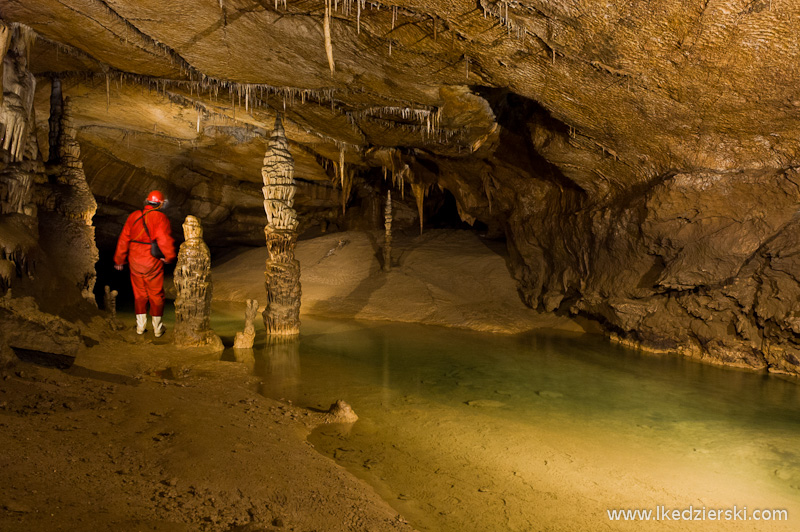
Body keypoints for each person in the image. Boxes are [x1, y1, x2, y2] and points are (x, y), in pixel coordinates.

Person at [113, 190, 176, 336]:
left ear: (147, 201)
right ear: (160, 204)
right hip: (151, 260)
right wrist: (169, 257)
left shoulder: (134, 216)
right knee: (156, 294)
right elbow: (164, 239)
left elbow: (124, 238)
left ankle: (140, 327)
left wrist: (119, 259)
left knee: (139, 294)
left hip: (134, 259)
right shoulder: (160, 218)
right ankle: (157, 329)